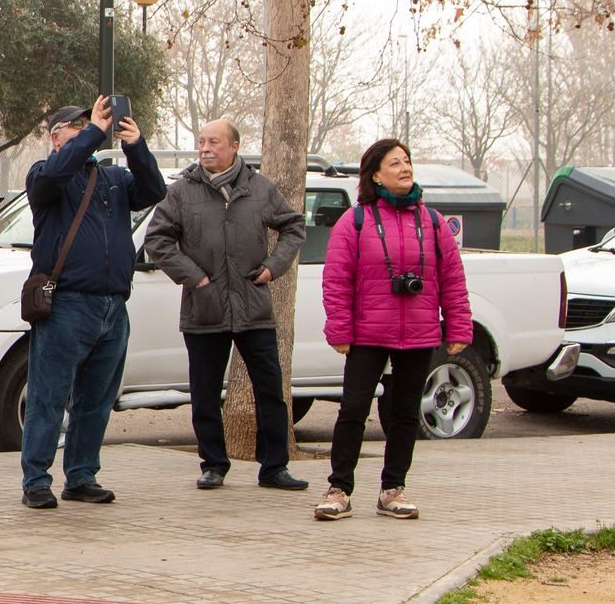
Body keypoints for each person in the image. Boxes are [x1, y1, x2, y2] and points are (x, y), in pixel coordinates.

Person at [142, 120, 309, 492]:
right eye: (201, 141)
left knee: (270, 392)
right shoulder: (182, 192)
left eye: (214, 142)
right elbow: (157, 240)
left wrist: (273, 267)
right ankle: (213, 464)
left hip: (254, 307)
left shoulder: (260, 188)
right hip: (205, 308)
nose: (205, 148)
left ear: (234, 146)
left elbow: (294, 226)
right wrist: (195, 277)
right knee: (204, 394)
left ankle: (274, 467)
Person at [20, 97, 166, 509]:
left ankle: (81, 476)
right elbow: (56, 174)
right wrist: (94, 135)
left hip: (112, 306)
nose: (89, 128)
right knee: (49, 397)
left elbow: (154, 190)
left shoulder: (112, 178)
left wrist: (136, 146)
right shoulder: (45, 175)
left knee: (96, 401)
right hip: (67, 304)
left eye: (92, 124)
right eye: (78, 125)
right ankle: (36, 481)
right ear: (55, 137)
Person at [316, 138, 471, 522]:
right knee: (354, 409)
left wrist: (458, 327)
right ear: (375, 175)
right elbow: (336, 279)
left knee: (404, 413)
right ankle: (339, 489)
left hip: (419, 333)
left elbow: (453, 279)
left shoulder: (433, 222)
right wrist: (340, 329)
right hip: (367, 333)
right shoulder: (355, 221)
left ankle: (393, 490)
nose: (405, 168)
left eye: (407, 161)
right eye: (395, 163)